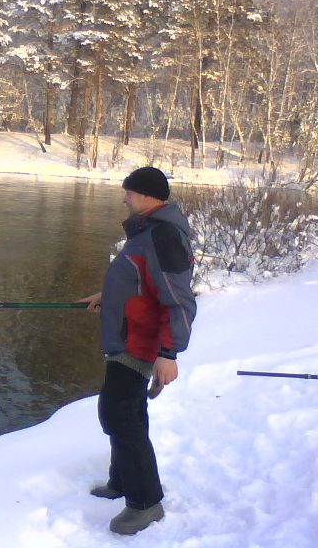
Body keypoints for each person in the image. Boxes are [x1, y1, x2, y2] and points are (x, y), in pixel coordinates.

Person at [79, 166, 197, 536]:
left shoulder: (162, 235)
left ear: (147, 196)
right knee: (128, 411)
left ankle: (145, 502)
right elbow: (142, 279)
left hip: (141, 342)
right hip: (129, 335)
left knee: (118, 413)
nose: (124, 197)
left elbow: (179, 300)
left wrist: (169, 353)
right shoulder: (148, 230)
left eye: (129, 192)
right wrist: (109, 296)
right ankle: (123, 480)